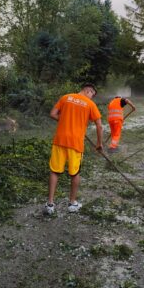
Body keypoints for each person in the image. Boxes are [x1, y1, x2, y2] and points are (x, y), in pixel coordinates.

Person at [44, 83, 103, 215]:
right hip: (75, 143)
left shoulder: (66, 97)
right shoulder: (90, 104)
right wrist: (99, 144)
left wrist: (65, 120)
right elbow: (99, 126)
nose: (92, 97)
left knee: (54, 171)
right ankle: (72, 203)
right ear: (89, 91)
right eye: (92, 94)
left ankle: (50, 204)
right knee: (75, 173)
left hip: (60, 140)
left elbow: (53, 114)